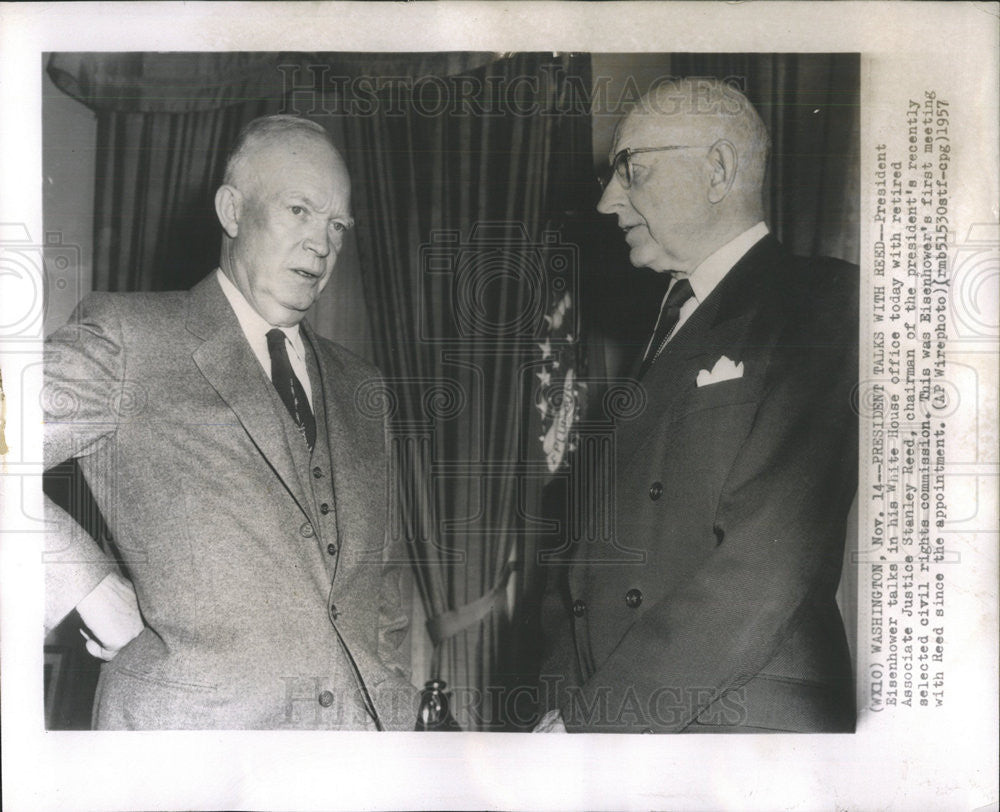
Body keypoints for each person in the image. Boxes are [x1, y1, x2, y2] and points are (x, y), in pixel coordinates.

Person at [43, 115, 417, 730]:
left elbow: (383, 595)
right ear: (232, 211)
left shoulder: (363, 387)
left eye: (338, 225)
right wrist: (88, 588)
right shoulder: (130, 339)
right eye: (299, 210)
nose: (322, 245)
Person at [537, 78, 858, 733]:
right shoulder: (667, 326)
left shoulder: (820, 303)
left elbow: (762, 569)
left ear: (717, 169)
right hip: (632, 723)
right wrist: (556, 712)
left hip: (737, 729)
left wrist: (589, 726)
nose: (606, 202)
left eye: (632, 170)